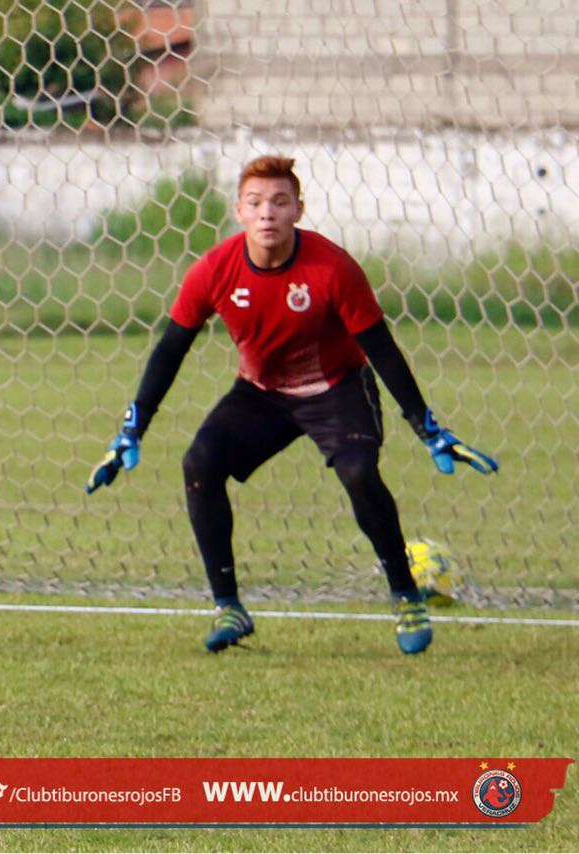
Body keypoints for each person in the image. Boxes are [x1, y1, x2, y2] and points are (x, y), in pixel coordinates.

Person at [85, 155, 498, 655]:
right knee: (199, 462)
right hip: (261, 393)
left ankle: (405, 594)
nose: (267, 213)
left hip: (339, 388)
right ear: (239, 211)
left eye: (279, 202)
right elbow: (171, 348)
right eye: (256, 203)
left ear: (298, 209)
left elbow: (381, 349)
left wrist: (427, 427)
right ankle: (228, 608)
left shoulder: (333, 268)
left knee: (359, 473)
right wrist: (133, 427)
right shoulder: (214, 270)